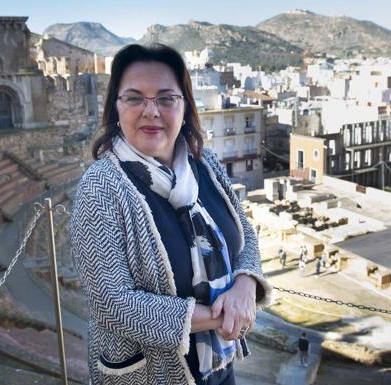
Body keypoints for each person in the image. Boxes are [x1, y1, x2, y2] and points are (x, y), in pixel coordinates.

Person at [70, 44, 272, 385]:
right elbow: (113, 304)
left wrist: (246, 283)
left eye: (166, 98)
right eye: (135, 98)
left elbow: (244, 234)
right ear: (116, 107)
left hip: (219, 364)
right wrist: (220, 317)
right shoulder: (100, 187)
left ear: (185, 105)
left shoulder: (204, 164)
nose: (151, 111)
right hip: (149, 375)